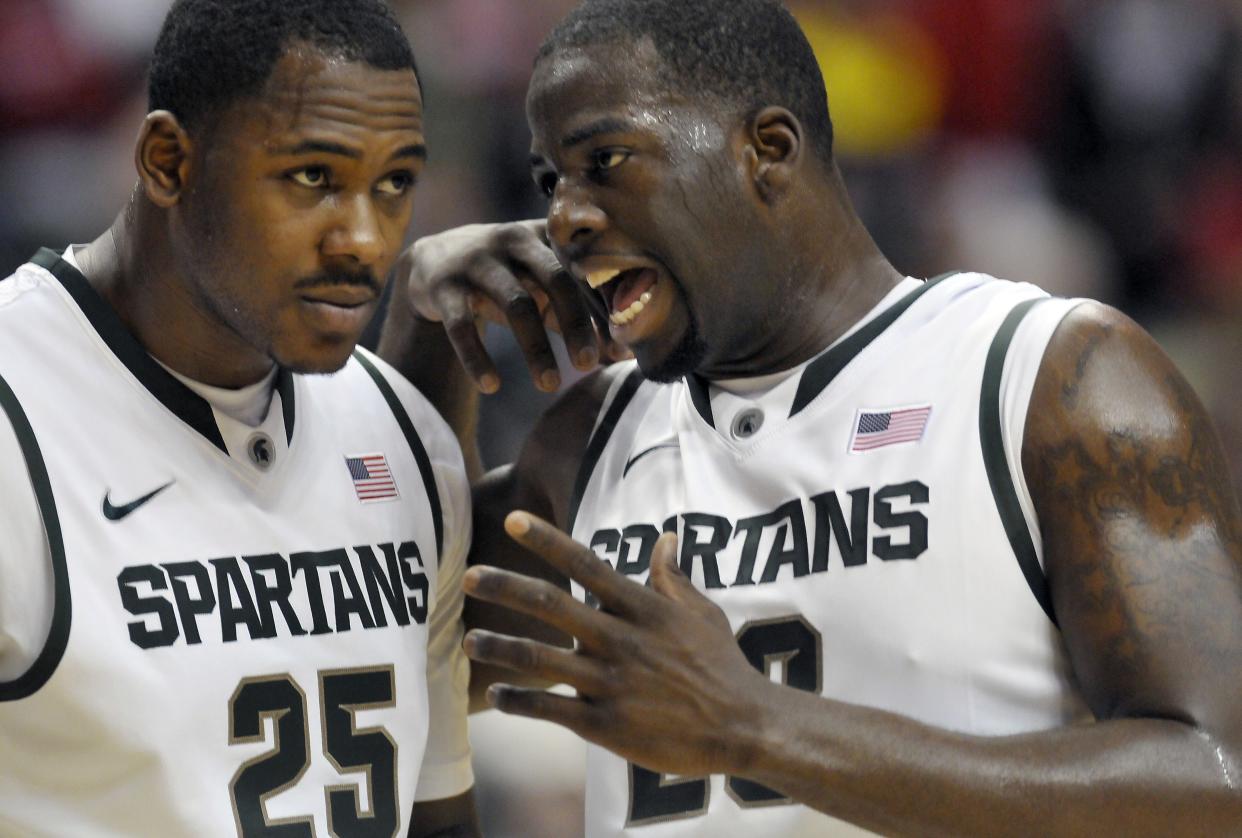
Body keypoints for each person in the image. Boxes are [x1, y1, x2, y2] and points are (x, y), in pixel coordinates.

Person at [383, 0, 1242, 835]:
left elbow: (1215, 781)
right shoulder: (588, 439)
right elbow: (384, 654)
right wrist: (425, 328)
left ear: (768, 149)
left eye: (604, 159)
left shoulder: (1048, 376)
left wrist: (757, 729)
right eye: (548, 180)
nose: (563, 216)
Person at [0, 1, 480, 835]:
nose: (365, 240)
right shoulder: (17, 412)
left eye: (396, 181)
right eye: (313, 178)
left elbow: (440, 815)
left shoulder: (407, 439)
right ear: (167, 161)